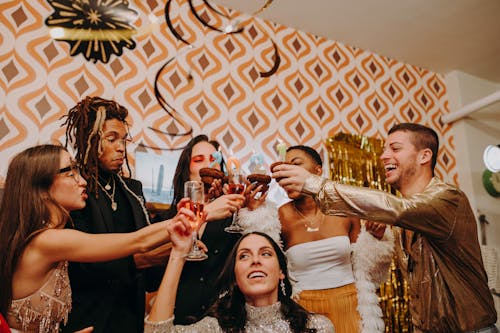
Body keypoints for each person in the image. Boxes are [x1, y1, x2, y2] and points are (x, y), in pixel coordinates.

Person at [272, 123, 498, 333]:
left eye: (395, 148)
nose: (384, 156)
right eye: (384, 150)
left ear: (424, 156)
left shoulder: (448, 198)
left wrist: (312, 183)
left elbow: (398, 208)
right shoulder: (403, 223)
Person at [0, 145, 191, 333]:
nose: (82, 181)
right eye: (70, 172)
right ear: (40, 188)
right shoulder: (46, 241)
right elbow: (137, 241)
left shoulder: (45, 237)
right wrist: (195, 215)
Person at [60, 96, 173, 333]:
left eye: (123, 139)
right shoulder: (74, 190)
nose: (121, 147)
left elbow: (149, 278)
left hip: (129, 320)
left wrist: (172, 256)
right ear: (88, 139)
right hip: (89, 320)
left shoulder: (132, 190)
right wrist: (143, 259)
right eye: (111, 139)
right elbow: (79, 267)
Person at [276, 145, 393, 333]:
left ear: (317, 171)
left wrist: (376, 239)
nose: (287, 174)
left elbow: (366, 269)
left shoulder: (344, 209)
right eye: (283, 170)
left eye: (295, 165)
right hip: (303, 309)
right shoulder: (280, 217)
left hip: (349, 304)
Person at [145, 227, 335, 332]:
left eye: (266, 254)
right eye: (244, 256)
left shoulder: (316, 327)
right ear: (235, 277)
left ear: (281, 272)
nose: (255, 260)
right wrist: (178, 254)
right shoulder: (215, 329)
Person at [154, 134, 246, 324]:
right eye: (198, 160)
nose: (207, 164)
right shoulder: (166, 219)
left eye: (214, 159)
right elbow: (150, 278)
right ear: (186, 170)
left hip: (225, 320)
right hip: (178, 319)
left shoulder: (235, 218)